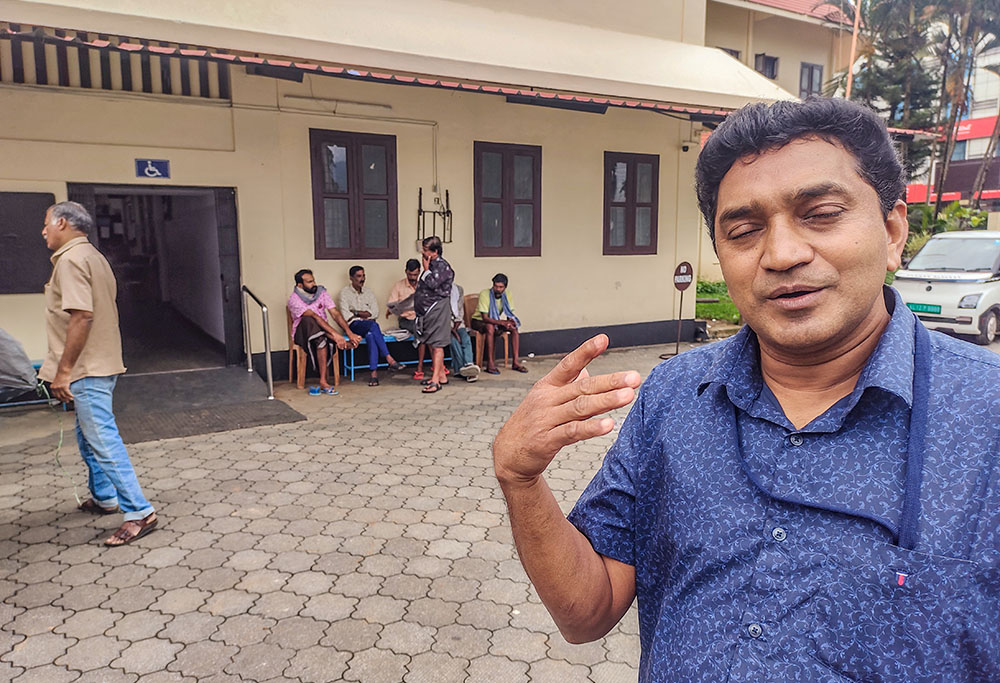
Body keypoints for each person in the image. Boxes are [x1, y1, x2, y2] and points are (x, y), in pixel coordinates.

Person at [492, 97, 1000, 681]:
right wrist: (521, 479)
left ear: (891, 231)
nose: (781, 254)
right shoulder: (677, 395)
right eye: (744, 230)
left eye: (822, 213)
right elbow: (589, 609)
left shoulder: (984, 416)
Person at [38, 201, 158, 547]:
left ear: (62, 223)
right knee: (87, 437)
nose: (43, 230)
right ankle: (105, 497)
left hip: (86, 368)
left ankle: (140, 512)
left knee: (102, 440)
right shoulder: (93, 256)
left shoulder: (72, 261)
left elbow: (82, 317)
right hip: (99, 362)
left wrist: (63, 372)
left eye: (46, 224)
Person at [288, 269, 360, 393]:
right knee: (308, 319)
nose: (313, 284)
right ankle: (323, 379)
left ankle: (323, 381)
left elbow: (335, 313)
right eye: (309, 282)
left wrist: (349, 333)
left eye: (313, 280)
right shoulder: (294, 300)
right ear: (300, 285)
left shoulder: (321, 292)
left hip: (321, 331)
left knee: (321, 339)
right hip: (303, 334)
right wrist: (336, 335)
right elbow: (316, 318)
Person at [339, 265, 403, 386]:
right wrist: (363, 314)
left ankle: (374, 375)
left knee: (371, 335)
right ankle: (389, 358)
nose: (362, 279)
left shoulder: (368, 292)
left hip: (368, 326)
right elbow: (347, 316)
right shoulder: (344, 293)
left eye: (363, 276)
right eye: (358, 276)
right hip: (354, 326)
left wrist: (356, 312)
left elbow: (375, 313)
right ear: (351, 278)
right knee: (373, 326)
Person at [413, 236, 453, 393]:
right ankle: (441, 375)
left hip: (437, 309)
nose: (423, 252)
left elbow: (432, 283)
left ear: (435, 251)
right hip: (427, 310)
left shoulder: (442, 266)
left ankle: (436, 381)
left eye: (426, 250)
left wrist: (425, 270)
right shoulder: (432, 264)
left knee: (437, 345)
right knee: (431, 341)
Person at [471, 273, 528, 374]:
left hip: (495, 320)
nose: (498, 289)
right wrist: (502, 322)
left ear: (505, 287)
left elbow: (509, 313)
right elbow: (485, 317)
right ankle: (490, 364)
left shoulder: (507, 294)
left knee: (514, 328)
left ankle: (515, 362)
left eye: (501, 287)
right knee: (490, 327)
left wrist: (510, 322)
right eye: (496, 286)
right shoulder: (485, 294)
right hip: (478, 321)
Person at [387, 258, 426, 379]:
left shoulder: (424, 286)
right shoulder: (399, 286)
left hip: (422, 319)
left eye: (415, 274)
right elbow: (392, 306)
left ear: (419, 272)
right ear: (406, 272)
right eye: (410, 274)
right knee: (421, 331)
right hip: (406, 320)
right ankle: (420, 367)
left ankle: (437, 365)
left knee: (431, 329)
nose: (413, 277)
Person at [449, 283, 480, 382]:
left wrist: (456, 329)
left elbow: (460, 313)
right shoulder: (438, 291)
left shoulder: (458, 289)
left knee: (465, 338)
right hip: (445, 326)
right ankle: (460, 369)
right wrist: (453, 331)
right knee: (454, 341)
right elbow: (441, 316)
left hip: (458, 324)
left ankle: (469, 364)